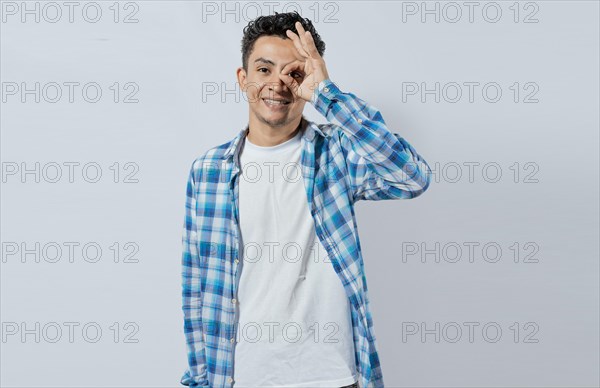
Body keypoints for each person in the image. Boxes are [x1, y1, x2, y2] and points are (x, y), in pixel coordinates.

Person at [180, 11, 432, 388]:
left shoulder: (337, 153)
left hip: (329, 375)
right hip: (242, 376)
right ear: (242, 78)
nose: (278, 84)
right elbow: (196, 284)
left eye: (294, 73)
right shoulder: (208, 171)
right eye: (264, 70)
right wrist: (200, 377)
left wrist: (327, 95)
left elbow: (413, 176)